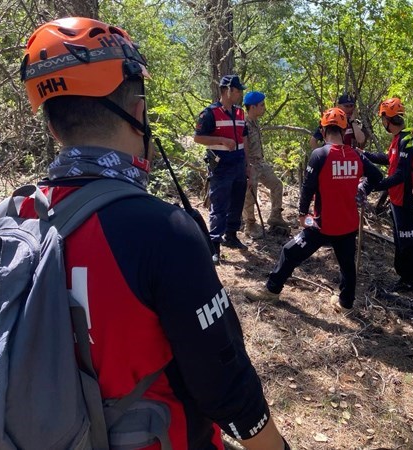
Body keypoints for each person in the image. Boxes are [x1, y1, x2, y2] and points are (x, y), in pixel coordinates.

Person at [19, 17, 288, 450]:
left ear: (52, 127)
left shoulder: (10, 219)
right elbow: (224, 382)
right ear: (139, 112)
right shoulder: (163, 232)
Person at [243, 108, 382, 313]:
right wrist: (363, 190)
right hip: (348, 224)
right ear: (344, 132)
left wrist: (302, 215)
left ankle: (272, 290)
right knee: (347, 266)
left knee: (289, 251)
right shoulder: (357, 156)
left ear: (323, 130)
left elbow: (308, 187)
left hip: (321, 224)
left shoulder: (320, 154)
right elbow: (377, 176)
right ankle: (345, 304)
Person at [362, 98, 413, 305]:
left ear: (387, 119)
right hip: (397, 200)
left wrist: (376, 186)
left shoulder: (407, 141)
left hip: (407, 200)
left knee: (409, 247)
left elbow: (402, 174)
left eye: (382, 118)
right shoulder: (398, 139)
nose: (382, 123)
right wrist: (364, 155)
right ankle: (406, 279)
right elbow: (389, 159)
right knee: (400, 242)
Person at [194, 74, 249, 258]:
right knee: (219, 204)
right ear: (228, 90)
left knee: (237, 201)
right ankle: (215, 244)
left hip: (239, 163)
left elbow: (244, 138)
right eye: (238, 90)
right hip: (221, 165)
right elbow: (198, 137)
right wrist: (222, 140)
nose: (240, 93)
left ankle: (231, 236)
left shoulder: (240, 113)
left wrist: (247, 163)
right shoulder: (209, 113)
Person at [241, 91, 289, 239]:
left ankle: (275, 215)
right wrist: (247, 166)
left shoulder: (255, 122)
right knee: (250, 194)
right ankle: (250, 224)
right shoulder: (244, 124)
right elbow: (244, 147)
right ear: (253, 107)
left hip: (261, 163)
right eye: (262, 105)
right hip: (251, 164)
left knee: (276, 185)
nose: (264, 107)